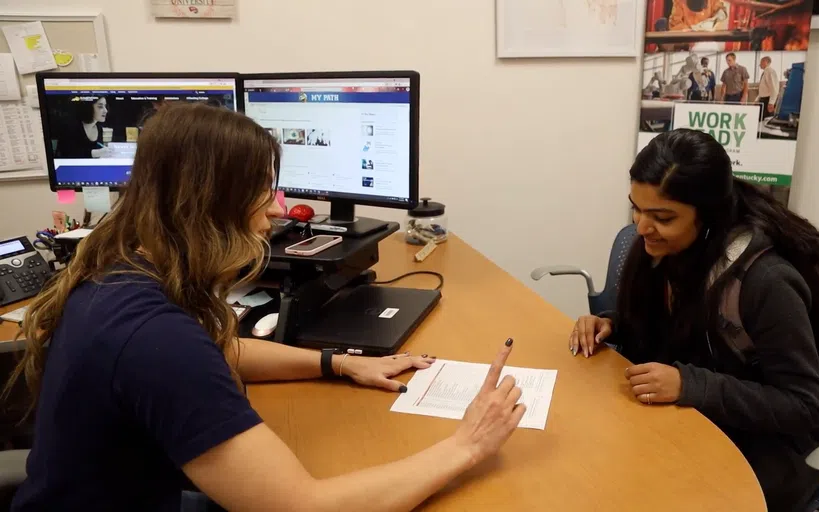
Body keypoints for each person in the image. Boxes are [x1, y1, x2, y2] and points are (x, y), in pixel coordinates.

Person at [4, 103, 526, 511]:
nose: (279, 208)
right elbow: (302, 506)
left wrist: (340, 362)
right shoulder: (154, 339)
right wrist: (467, 445)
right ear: (211, 205)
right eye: (263, 191)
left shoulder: (121, 271)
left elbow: (218, 351)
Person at [568, 129, 819, 511]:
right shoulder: (665, 246)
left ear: (709, 215)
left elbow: (804, 406)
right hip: (695, 418)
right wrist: (613, 323)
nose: (641, 227)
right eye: (636, 207)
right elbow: (680, 330)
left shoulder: (766, 281)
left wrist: (689, 384)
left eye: (661, 216)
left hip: (766, 446)